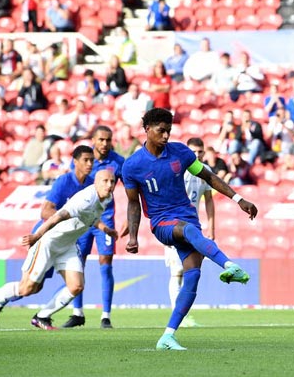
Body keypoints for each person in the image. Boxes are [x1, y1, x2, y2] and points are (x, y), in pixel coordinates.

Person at [122, 108, 258, 350]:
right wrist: (133, 236)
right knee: (189, 231)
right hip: (162, 222)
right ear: (147, 129)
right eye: (160, 131)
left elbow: (208, 176)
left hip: (187, 216)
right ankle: (229, 265)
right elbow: (133, 203)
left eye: (168, 131)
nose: (165, 136)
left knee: (192, 276)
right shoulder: (132, 166)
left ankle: (168, 336)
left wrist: (239, 199)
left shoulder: (181, 153)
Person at [0, 169, 117, 331]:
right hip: (50, 242)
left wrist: (105, 229)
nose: (109, 185)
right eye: (105, 181)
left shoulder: (107, 197)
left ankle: (42, 317)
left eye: (112, 181)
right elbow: (56, 216)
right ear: (95, 183)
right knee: (28, 288)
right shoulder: (86, 198)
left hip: (68, 245)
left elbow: (91, 217)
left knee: (76, 286)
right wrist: (37, 236)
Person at [0, 145, 95, 325]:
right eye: (86, 160)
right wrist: (64, 218)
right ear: (75, 162)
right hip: (46, 237)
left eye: (92, 160)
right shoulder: (64, 181)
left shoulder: (91, 186)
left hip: (65, 241)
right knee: (30, 286)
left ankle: (42, 316)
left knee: (46, 286)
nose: (90, 163)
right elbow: (45, 211)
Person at [62, 126, 126, 329]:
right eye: (101, 139)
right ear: (93, 140)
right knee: (76, 264)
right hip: (82, 220)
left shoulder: (118, 162)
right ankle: (77, 313)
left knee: (105, 264)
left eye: (108, 140)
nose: (105, 143)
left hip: (105, 220)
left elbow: (133, 188)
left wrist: (131, 219)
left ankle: (105, 316)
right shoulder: (84, 158)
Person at [164, 137, 214, 328]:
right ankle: (178, 315)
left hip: (193, 228)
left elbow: (209, 199)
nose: (196, 155)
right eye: (193, 151)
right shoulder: (177, 171)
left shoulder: (205, 172)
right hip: (174, 227)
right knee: (176, 272)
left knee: (189, 273)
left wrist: (212, 227)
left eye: (200, 152)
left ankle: (182, 315)